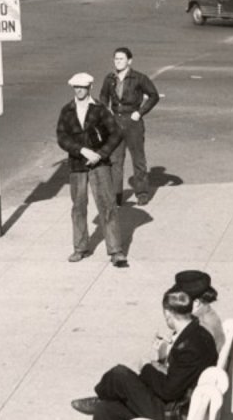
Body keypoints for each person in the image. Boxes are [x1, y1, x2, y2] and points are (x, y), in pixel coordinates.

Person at [72, 277, 220, 420]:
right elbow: (178, 380)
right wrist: (161, 361)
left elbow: (169, 391)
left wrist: (148, 368)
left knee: (120, 374)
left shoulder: (189, 346)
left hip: (173, 415)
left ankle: (99, 397)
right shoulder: (195, 333)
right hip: (181, 406)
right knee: (107, 410)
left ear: (168, 315)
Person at [56, 72, 125, 266]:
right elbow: (62, 137)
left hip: (100, 165)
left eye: (83, 87)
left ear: (90, 88)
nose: (79, 90)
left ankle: (116, 250)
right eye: (76, 87)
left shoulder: (100, 109)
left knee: (108, 206)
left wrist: (101, 154)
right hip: (78, 165)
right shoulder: (67, 110)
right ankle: (80, 248)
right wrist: (81, 150)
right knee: (78, 207)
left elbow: (116, 133)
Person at [99, 47, 160, 205]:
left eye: (121, 59)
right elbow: (103, 96)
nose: (118, 62)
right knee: (115, 160)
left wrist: (140, 112)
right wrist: (106, 112)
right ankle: (116, 196)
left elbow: (154, 95)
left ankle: (142, 193)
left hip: (133, 122)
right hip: (115, 122)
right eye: (116, 59)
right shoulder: (110, 78)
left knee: (138, 159)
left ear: (129, 61)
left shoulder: (138, 78)